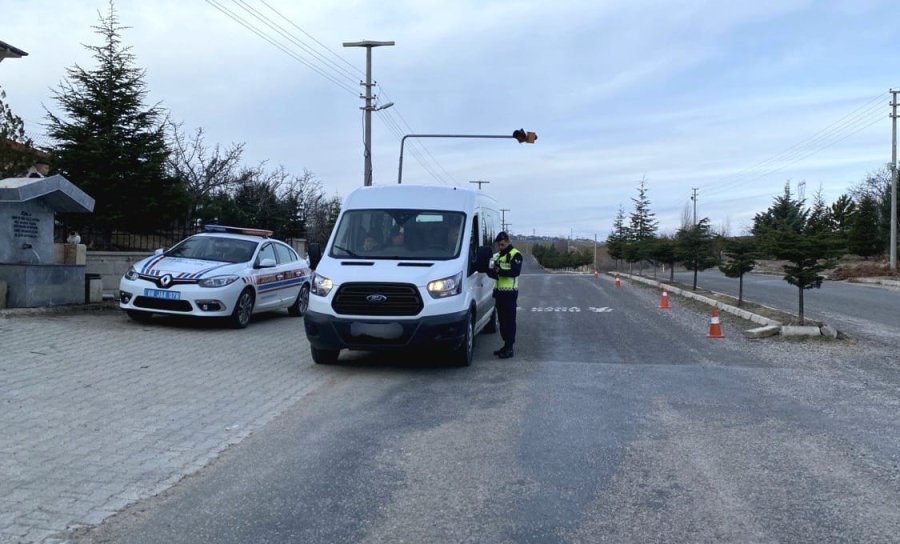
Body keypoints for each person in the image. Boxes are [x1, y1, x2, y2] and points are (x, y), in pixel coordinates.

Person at [487, 231, 523, 359]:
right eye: (499, 245)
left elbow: (515, 272)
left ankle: (510, 347)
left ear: (508, 242)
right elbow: (491, 271)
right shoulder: (496, 256)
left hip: (510, 293)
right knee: (502, 322)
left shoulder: (516, 255)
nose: (500, 247)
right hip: (499, 293)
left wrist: (499, 270)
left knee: (509, 322)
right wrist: (491, 271)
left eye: (502, 244)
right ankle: (505, 345)